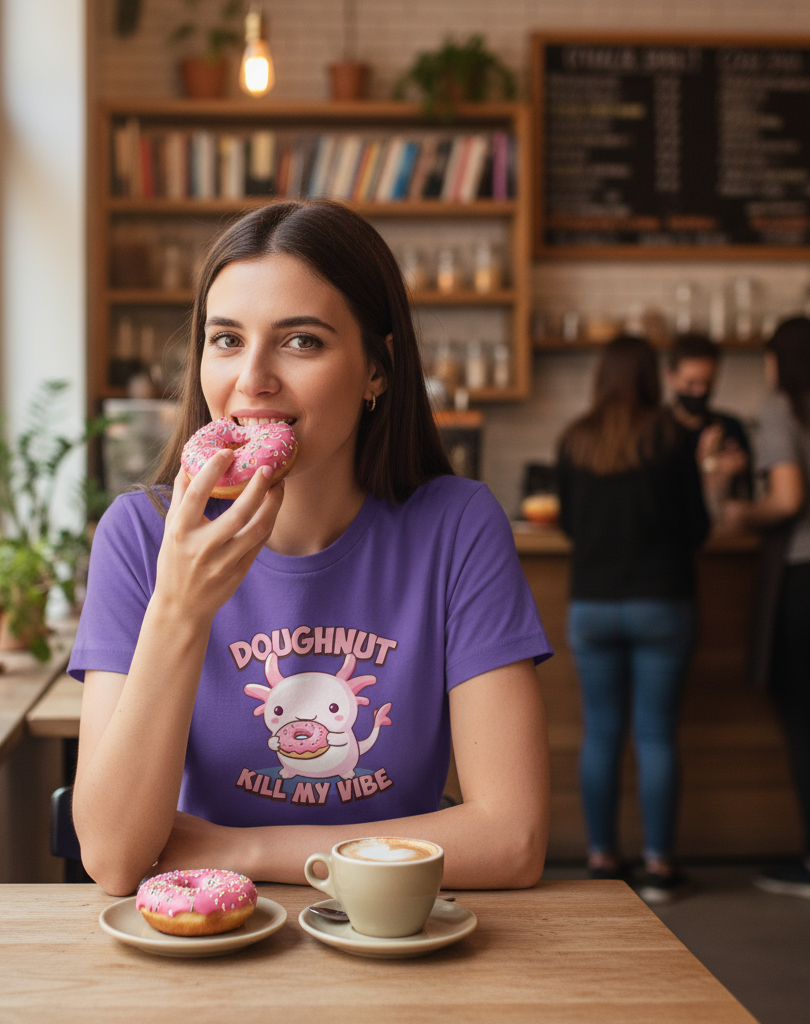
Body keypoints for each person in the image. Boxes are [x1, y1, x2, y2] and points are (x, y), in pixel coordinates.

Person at [69, 200, 553, 897]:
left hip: (395, 940)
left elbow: (512, 841)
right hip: (202, 952)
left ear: (376, 372)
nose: (252, 379)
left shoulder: (457, 527)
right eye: (227, 339)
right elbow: (115, 858)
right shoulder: (142, 535)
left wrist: (243, 849)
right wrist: (178, 606)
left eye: (301, 342)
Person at [557, 335, 710, 903]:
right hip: (662, 604)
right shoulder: (672, 438)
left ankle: (601, 860)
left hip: (593, 605)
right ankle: (660, 869)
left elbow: (570, 523)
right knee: (655, 735)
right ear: (655, 377)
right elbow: (698, 528)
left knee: (601, 732)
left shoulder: (575, 439)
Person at [721, 317, 810, 899]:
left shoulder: (782, 406)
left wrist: (740, 512)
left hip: (802, 577)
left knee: (803, 718)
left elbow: (787, 498)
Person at [665, 333, 753, 508]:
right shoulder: (656, 431)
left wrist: (742, 468)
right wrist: (705, 464)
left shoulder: (731, 427)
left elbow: (749, 493)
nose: (699, 391)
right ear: (671, 377)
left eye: (707, 382)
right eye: (691, 383)